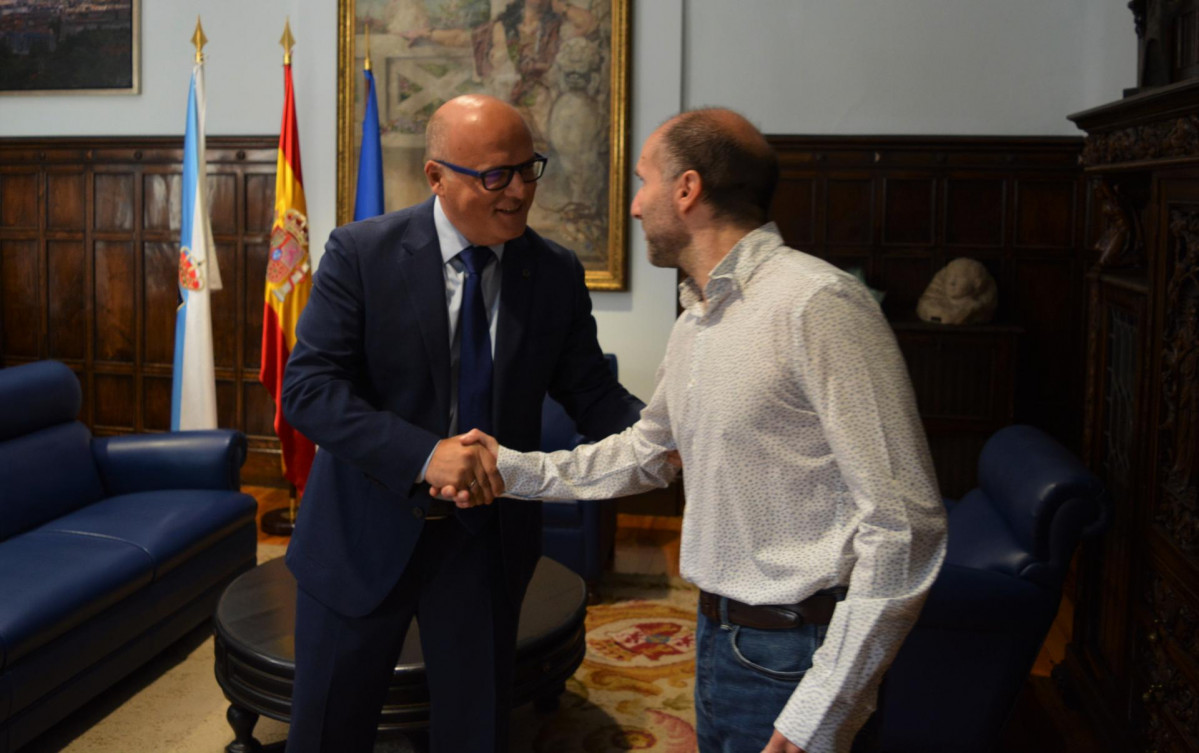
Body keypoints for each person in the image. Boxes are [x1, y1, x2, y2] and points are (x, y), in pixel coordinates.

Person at [442, 109, 948, 753]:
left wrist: (825, 706)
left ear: (686, 190)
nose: (633, 205)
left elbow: (907, 525)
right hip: (720, 638)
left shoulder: (818, 304)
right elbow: (647, 454)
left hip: (799, 657)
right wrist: (509, 467)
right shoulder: (697, 317)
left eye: (643, 181)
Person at [280, 93, 643, 753]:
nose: (518, 192)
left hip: (486, 543)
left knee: (475, 732)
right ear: (436, 177)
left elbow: (591, 392)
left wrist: (669, 437)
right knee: (330, 727)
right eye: (493, 176)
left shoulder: (553, 272)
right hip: (362, 531)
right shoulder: (362, 253)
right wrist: (424, 456)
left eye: (527, 169)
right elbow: (307, 390)